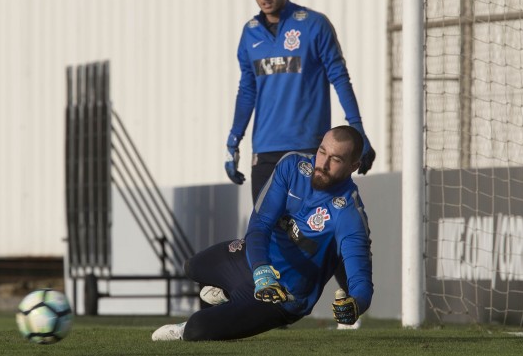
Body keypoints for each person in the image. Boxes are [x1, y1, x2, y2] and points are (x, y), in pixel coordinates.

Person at [152, 125, 373, 341]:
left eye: (335, 159)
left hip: (282, 296)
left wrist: (356, 305)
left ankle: (201, 319)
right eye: (322, 151)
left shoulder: (349, 214)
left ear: (354, 166)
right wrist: (261, 269)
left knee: (196, 330)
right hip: (256, 264)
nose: (322, 163)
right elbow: (260, 223)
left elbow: (361, 281)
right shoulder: (293, 166)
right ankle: (232, 293)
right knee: (193, 266)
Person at [224, 0, 376, 204]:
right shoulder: (249, 33)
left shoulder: (314, 25)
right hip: (265, 151)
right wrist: (233, 141)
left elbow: (339, 78)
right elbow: (247, 90)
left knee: (308, 233)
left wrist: (357, 129)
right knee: (265, 233)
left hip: (308, 149)